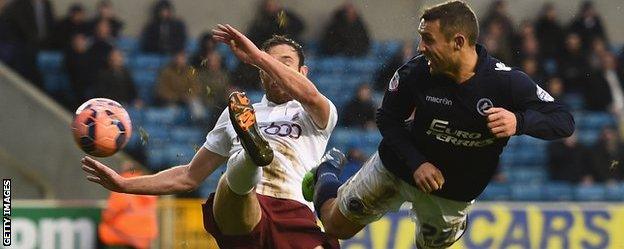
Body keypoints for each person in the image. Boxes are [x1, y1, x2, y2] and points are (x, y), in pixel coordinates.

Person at [301, 1, 575, 248]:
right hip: (396, 168)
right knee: (336, 226)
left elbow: (564, 120)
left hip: (452, 194)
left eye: (428, 40)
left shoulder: (506, 82)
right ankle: (327, 170)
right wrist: (417, 162)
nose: (421, 47)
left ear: (458, 41)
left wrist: (519, 120)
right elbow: (387, 118)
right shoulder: (415, 72)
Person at [82, 25, 340, 248]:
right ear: (260, 75)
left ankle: (250, 154)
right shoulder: (238, 112)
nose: (275, 70)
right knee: (237, 180)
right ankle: (251, 155)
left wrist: (258, 57)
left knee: (242, 169)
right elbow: (188, 176)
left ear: (303, 73)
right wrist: (124, 185)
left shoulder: (317, 111)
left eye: (285, 63)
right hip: (245, 209)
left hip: (294, 212)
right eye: (269, 65)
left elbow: (310, 96)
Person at [99, 162, 158, 249]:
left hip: (125, 235)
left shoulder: (123, 185)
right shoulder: (148, 185)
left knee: (103, 229)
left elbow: (110, 213)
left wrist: (104, 216)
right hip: (146, 235)